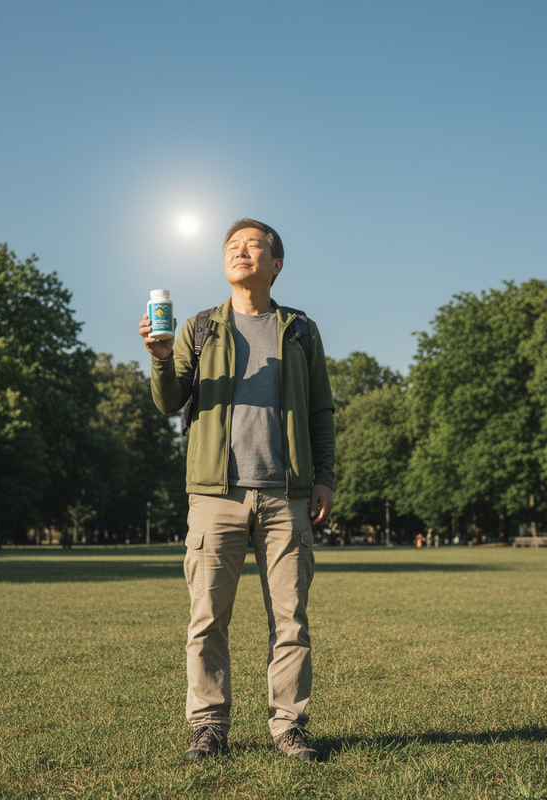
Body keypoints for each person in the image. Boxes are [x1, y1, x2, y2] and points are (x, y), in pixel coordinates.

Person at [138, 218, 335, 761]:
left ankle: (289, 727)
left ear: (276, 263)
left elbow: (321, 411)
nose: (241, 252)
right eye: (232, 246)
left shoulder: (300, 330)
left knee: (291, 622)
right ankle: (208, 727)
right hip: (214, 498)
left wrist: (324, 479)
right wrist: (158, 361)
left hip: (286, 497)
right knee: (207, 620)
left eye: (254, 246)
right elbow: (169, 400)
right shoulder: (200, 327)